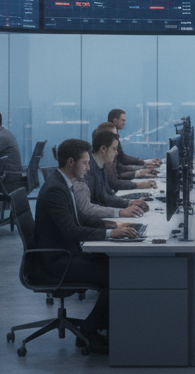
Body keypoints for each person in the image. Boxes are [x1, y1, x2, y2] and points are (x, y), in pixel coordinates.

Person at [34, 139, 139, 352]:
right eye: (85, 163)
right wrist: (111, 233)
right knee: (118, 274)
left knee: (115, 265)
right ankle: (89, 332)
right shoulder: (56, 189)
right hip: (56, 262)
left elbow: (76, 221)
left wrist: (109, 224)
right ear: (71, 162)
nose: (89, 168)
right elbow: (71, 231)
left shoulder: (63, 183)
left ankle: (99, 328)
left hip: (66, 253)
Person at [83, 130, 152, 213]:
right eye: (114, 149)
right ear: (103, 149)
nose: (116, 153)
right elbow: (91, 207)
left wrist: (129, 203)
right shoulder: (88, 170)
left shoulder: (101, 165)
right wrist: (120, 212)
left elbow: (107, 195)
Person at [91, 125, 156, 192]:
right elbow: (114, 182)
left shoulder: (103, 163)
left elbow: (120, 168)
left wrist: (141, 170)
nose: (116, 153)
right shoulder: (99, 164)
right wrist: (138, 183)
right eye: (114, 134)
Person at [107, 109, 162, 174]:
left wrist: (143, 165)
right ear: (115, 121)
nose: (124, 122)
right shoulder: (109, 137)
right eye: (123, 120)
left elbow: (121, 159)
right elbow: (121, 162)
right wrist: (142, 168)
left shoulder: (114, 135)